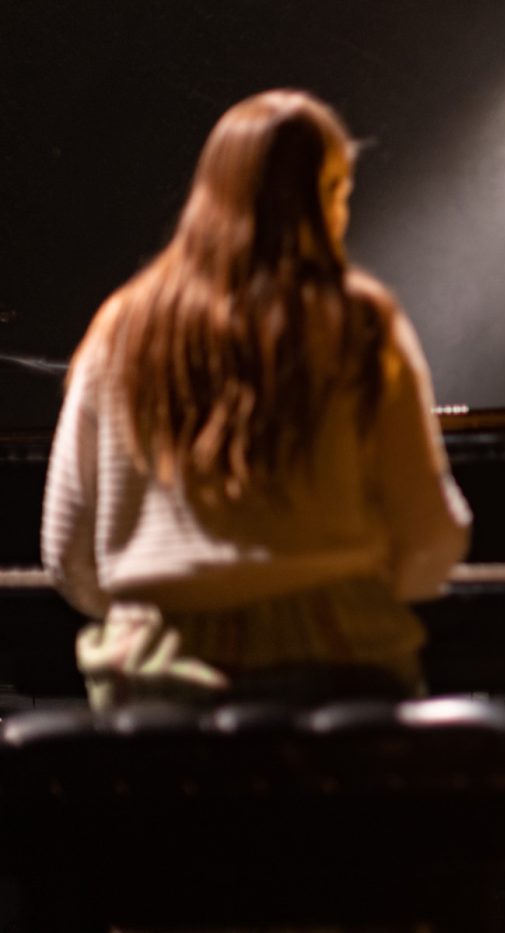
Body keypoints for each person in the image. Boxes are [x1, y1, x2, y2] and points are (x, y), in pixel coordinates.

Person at [41, 89, 471, 710]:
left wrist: (163, 610)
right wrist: (355, 587)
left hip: (158, 683)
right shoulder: (361, 322)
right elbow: (433, 534)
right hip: (338, 664)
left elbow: (64, 553)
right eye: (339, 192)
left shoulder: (118, 328)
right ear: (322, 196)